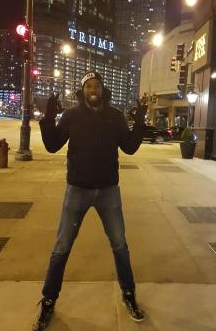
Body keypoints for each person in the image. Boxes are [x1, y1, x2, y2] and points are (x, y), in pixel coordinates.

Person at [33, 70, 147, 331]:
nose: (93, 89)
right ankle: (49, 301)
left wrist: (139, 124)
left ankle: (128, 294)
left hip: (109, 191)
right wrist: (49, 117)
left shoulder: (115, 117)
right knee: (61, 248)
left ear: (102, 89)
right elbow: (52, 145)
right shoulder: (71, 116)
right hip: (77, 190)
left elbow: (129, 147)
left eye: (96, 85)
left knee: (120, 245)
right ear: (82, 91)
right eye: (88, 86)